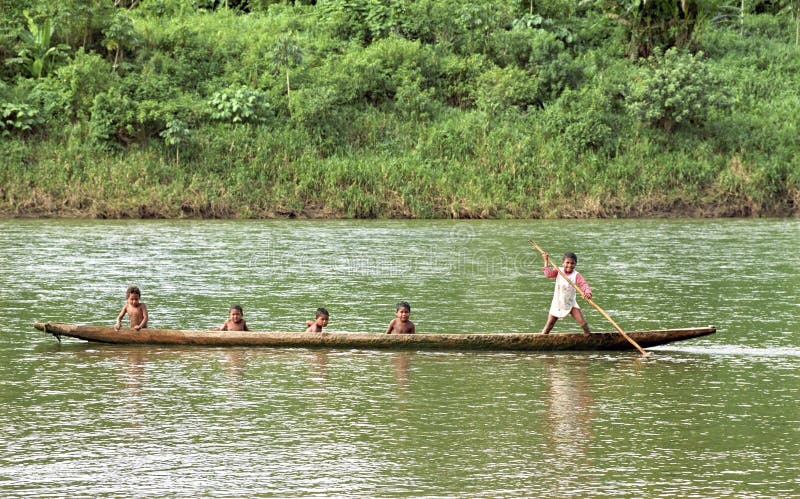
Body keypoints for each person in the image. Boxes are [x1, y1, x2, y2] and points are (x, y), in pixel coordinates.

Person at [541, 252, 592, 334]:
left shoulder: (576, 275)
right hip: (557, 303)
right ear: (563, 262)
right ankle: (541, 339)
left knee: (583, 324)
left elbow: (584, 284)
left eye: (572, 263)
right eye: (567, 263)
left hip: (571, 303)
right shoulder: (558, 271)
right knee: (549, 324)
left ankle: (591, 340)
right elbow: (548, 274)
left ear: (575, 264)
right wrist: (546, 261)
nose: (569, 265)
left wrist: (587, 293)